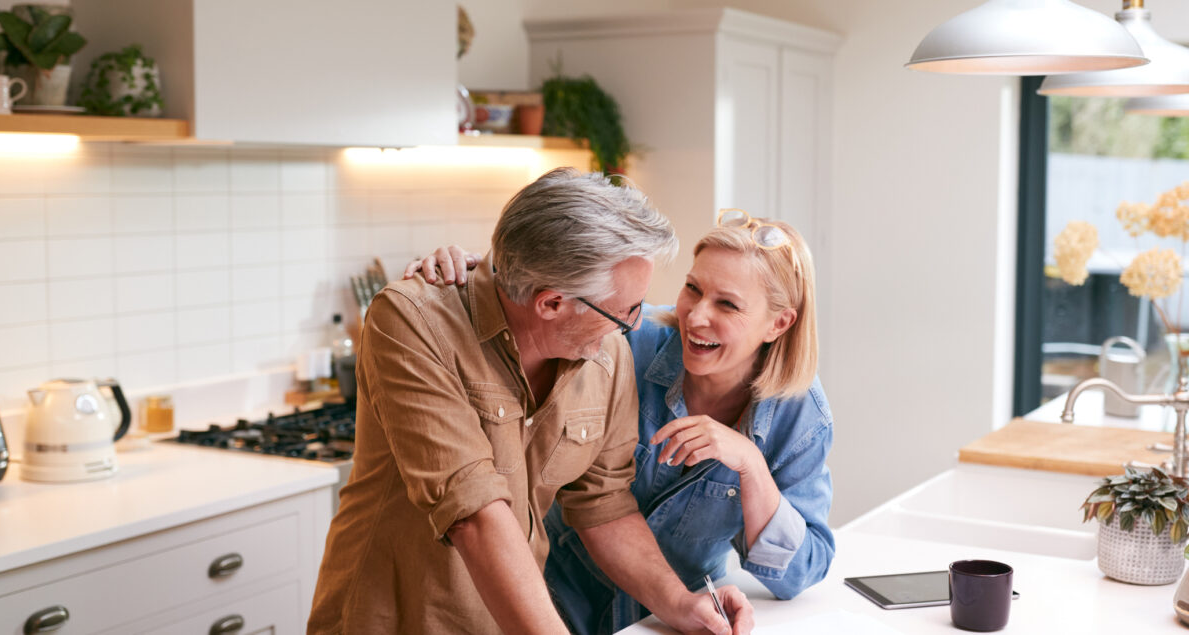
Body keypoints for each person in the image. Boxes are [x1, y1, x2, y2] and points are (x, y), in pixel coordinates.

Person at [309, 168, 754, 635]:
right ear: (551, 303)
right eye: (624, 311)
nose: (634, 325)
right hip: (390, 620)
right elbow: (474, 512)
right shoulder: (413, 320)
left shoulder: (608, 355)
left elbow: (604, 503)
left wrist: (681, 605)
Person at [407, 209, 835, 634]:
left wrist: (750, 466)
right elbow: (531, 319)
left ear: (779, 323)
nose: (696, 316)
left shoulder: (800, 415)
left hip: (665, 618)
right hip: (554, 594)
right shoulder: (627, 340)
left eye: (727, 304)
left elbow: (804, 571)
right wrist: (477, 282)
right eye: (693, 288)